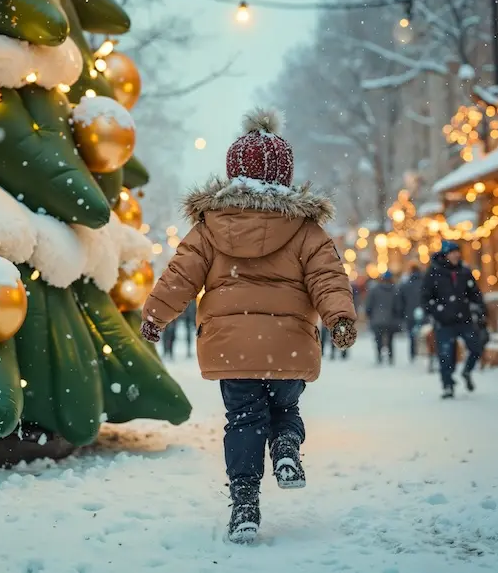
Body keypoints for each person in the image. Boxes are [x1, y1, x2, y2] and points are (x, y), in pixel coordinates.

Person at [138, 107, 357, 544]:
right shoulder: (306, 230)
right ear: (285, 174)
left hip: (231, 347)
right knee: (285, 410)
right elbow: (327, 277)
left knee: (243, 419)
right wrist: (339, 317)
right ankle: (287, 447)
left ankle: (244, 504)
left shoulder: (210, 227)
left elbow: (180, 277)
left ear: (232, 172)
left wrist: (155, 316)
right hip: (289, 346)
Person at [420, 240, 485, 399]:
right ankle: (447, 385)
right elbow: (425, 299)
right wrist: (438, 312)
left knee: (476, 348)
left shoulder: (464, 272)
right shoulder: (434, 272)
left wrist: (480, 310)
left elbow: (475, 294)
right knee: (446, 355)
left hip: (464, 319)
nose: (457, 255)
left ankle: (467, 371)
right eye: (453, 252)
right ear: (445, 254)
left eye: (458, 252)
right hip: (444, 322)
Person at [365, 271, 401, 364]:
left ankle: (379, 356)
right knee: (390, 340)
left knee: (378, 339)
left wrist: (369, 314)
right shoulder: (395, 290)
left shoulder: (374, 289)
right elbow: (398, 307)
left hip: (377, 319)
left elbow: (369, 305)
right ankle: (390, 357)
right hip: (390, 320)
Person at [396, 263, 425, 362]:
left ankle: (413, 353)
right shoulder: (425, 283)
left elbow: (400, 301)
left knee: (412, 335)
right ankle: (424, 352)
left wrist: (401, 314)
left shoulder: (405, 285)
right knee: (424, 333)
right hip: (424, 313)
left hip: (410, 313)